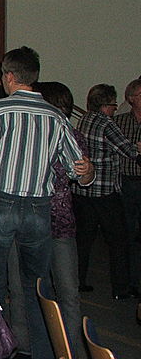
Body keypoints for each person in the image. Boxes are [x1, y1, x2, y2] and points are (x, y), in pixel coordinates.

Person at [0, 46, 94, 359]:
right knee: (37, 287)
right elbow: (80, 171)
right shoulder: (56, 116)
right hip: (38, 207)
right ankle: (43, 352)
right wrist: (89, 171)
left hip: (0, 203)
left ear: (9, 77)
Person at [73, 83, 141, 299]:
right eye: (113, 105)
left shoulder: (84, 119)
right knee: (118, 240)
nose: (114, 108)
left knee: (84, 241)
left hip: (83, 190)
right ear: (105, 105)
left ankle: (78, 282)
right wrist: (137, 148)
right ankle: (121, 289)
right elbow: (127, 150)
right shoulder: (106, 123)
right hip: (104, 191)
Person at [114, 79, 141, 297]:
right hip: (128, 181)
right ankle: (132, 281)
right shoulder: (120, 122)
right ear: (131, 98)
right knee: (129, 233)